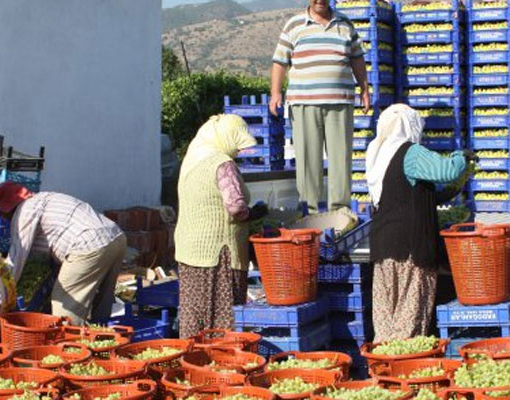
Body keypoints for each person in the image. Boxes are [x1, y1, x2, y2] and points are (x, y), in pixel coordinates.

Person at [367, 104, 475, 342]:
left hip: (384, 247)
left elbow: (407, 194)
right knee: (410, 318)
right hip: (410, 249)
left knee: (387, 316)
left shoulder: (377, 155)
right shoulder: (410, 153)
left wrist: (450, 192)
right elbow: (446, 170)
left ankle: (383, 367)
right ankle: (405, 367)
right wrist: (461, 156)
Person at [270, 0, 370, 213]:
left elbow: (357, 59)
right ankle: (310, 210)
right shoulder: (294, 25)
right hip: (304, 102)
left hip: (340, 102)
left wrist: (364, 89)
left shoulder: (345, 24)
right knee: (308, 160)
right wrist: (275, 93)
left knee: (340, 159)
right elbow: (280, 62)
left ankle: (340, 210)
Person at [174, 114, 267, 339]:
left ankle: (193, 363)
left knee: (195, 315)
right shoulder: (222, 164)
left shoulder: (192, 158)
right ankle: (221, 366)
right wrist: (257, 212)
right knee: (223, 319)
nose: (237, 152)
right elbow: (236, 207)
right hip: (219, 253)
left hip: (190, 252)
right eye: (236, 145)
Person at [0, 182, 126, 325]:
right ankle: (101, 337)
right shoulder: (46, 198)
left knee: (64, 306)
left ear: (6, 208)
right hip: (116, 237)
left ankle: (71, 344)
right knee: (101, 301)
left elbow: (16, 259)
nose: (4, 219)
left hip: (88, 245)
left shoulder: (25, 211)